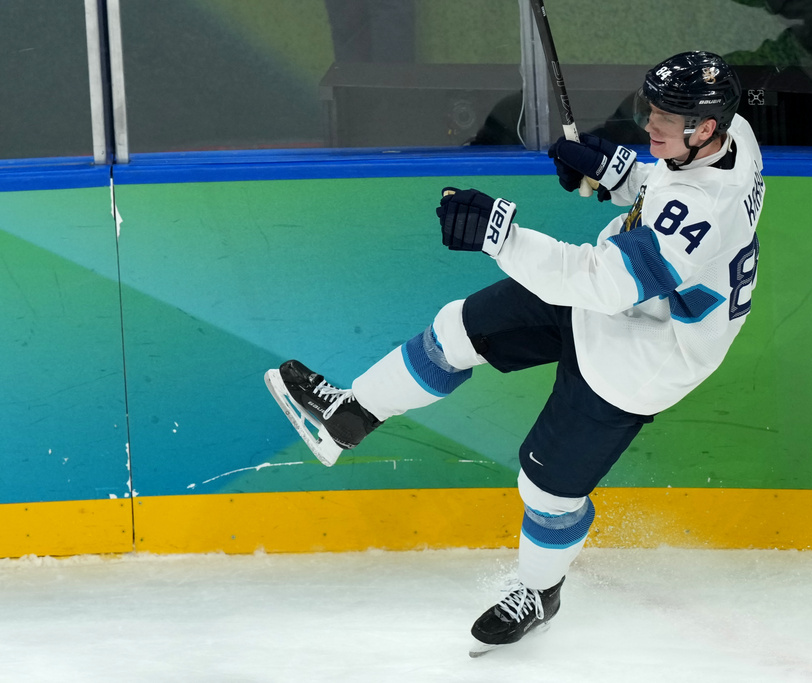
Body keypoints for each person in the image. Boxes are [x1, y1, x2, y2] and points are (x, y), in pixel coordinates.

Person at [265, 51, 765, 656]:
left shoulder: (704, 211)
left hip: (643, 357)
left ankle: (538, 592)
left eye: (664, 118)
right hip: (618, 300)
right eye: (651, 108)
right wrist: (614, 171)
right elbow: (663, 189)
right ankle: (349, 415)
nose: (649, 124)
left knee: (548, 492)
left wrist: (500, 236)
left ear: (704, 128)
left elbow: (608, 279)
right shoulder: (732, 136)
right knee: (458, 330)